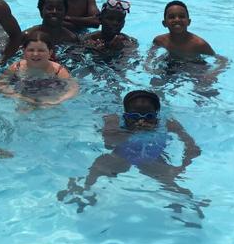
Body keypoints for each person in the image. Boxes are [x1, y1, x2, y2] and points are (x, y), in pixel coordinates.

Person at [57, 90, 202, 211]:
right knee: (98, 166)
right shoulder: (114, 119)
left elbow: (193, 148)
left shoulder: (167, 123)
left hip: (152, 159)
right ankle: (84, 190)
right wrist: (131, 132)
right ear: (125, 114)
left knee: (169, 180)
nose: (142, 120)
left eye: (149, 116)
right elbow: (109, 143)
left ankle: (188, 204)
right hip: (121, 156)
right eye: (134, 116)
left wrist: (182, 167)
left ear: (156, 114)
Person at [0, 31, 78, 107]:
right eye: (31, 50)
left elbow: (73, 89)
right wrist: (17, 96)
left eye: (41, 50)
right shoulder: (16, 67)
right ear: (24, 52)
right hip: (23, 95)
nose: (35, 54)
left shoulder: (58, 71)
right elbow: (1, 84)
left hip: (50, 95)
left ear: (50, 53)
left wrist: (57, 101)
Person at [150, 0, 215, 59]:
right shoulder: (159, 40)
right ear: (164, 23)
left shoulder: (199, 44)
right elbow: (150, 57)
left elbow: (218, 59)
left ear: (189, 22)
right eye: (172, 17)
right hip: (171, 61)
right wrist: (148, 65)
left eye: (181, 16)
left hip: (194, 64)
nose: (177, 20)